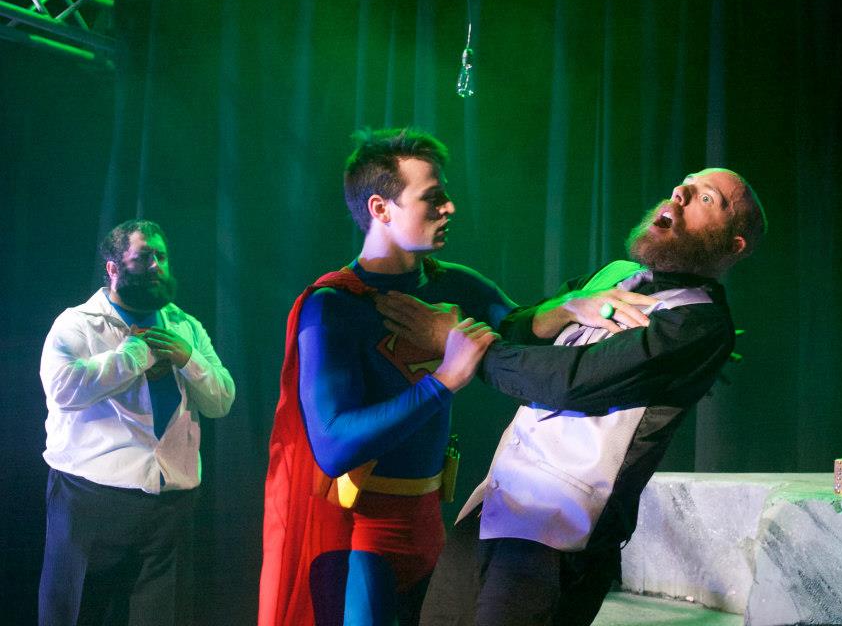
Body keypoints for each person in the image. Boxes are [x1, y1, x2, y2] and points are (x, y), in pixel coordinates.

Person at [380, 168, 766, 626]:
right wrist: (565, 307)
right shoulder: (614, 275)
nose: (679, 192)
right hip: (495, 505)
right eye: (686, 183)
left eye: (706, 198)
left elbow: (570, 381)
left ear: (733, 244)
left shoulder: (698, 322)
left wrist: (461, 348)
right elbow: (519, 331)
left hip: (558, 539)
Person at [258, 128, 513, 626]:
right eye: (432, 198)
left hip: (430, 526)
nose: (449, 208)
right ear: (381, 208)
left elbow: (524, 327)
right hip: (361, 539)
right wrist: (444, 381)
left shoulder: (455, 284)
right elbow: (334, 444)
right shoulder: (332, 306)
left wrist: (577, 303)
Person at [38, 219, 236, 626]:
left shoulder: (185, 326)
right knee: (77, 613)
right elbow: (63, 390)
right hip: (91, 500)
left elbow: (221, 400)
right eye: (144, 257)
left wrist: (188, 359)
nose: (157, 266)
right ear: (113, 267)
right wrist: (134, 355)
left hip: (169, 505)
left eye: (162, 256)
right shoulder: (77, 323)